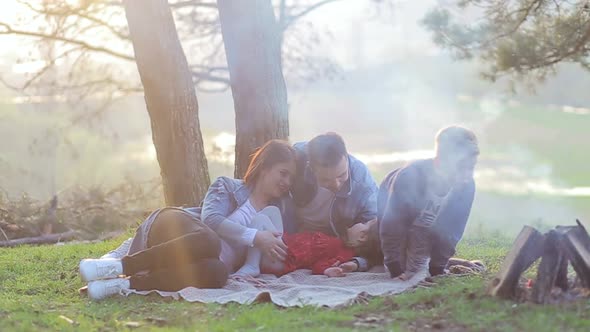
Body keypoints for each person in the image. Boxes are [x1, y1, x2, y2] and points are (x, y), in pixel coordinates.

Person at [79, 139, 296, 300]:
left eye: (291, 177)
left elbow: (269, 260)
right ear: (265, 168)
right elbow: (210, 220)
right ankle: (120, 265)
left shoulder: (273, 215)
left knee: (218, 273)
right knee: (209, 240)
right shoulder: (227, 186)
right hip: (172, 225)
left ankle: (124, 284)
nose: (287, 181)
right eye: (283, 173)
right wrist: (256, 237)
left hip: (187, 260)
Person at [378, 126, 479, 279]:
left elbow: (452, 231)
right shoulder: (410, 177)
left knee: (420, 269)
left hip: (428, 226)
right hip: (398, 221)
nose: (466, 176)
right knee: (406, 271)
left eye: (470, 168)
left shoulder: (467, 184)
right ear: (441, 161)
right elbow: (392, 225)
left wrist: (438, 268)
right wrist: (395, 268)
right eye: (460, 168)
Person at [284, 132, 379, 272]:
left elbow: (372, 237)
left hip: (333, 243)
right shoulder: (296, 160)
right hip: (292, 235)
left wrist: (358, 261)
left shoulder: (363, 183)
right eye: (326, 180)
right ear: (311, 168)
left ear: (346, 158)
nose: (336, 184)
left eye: (342, 175)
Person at [234, 206, 382, 278]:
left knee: (260, 220)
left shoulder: (344, 253)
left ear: (362, 236)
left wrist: (328, 271)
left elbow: (319, 265)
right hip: (283, 246)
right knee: (272, 211)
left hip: (281, 258)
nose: (360, 223)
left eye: (365, 223)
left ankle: (251, 265)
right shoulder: (338, 243)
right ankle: (256, 255)